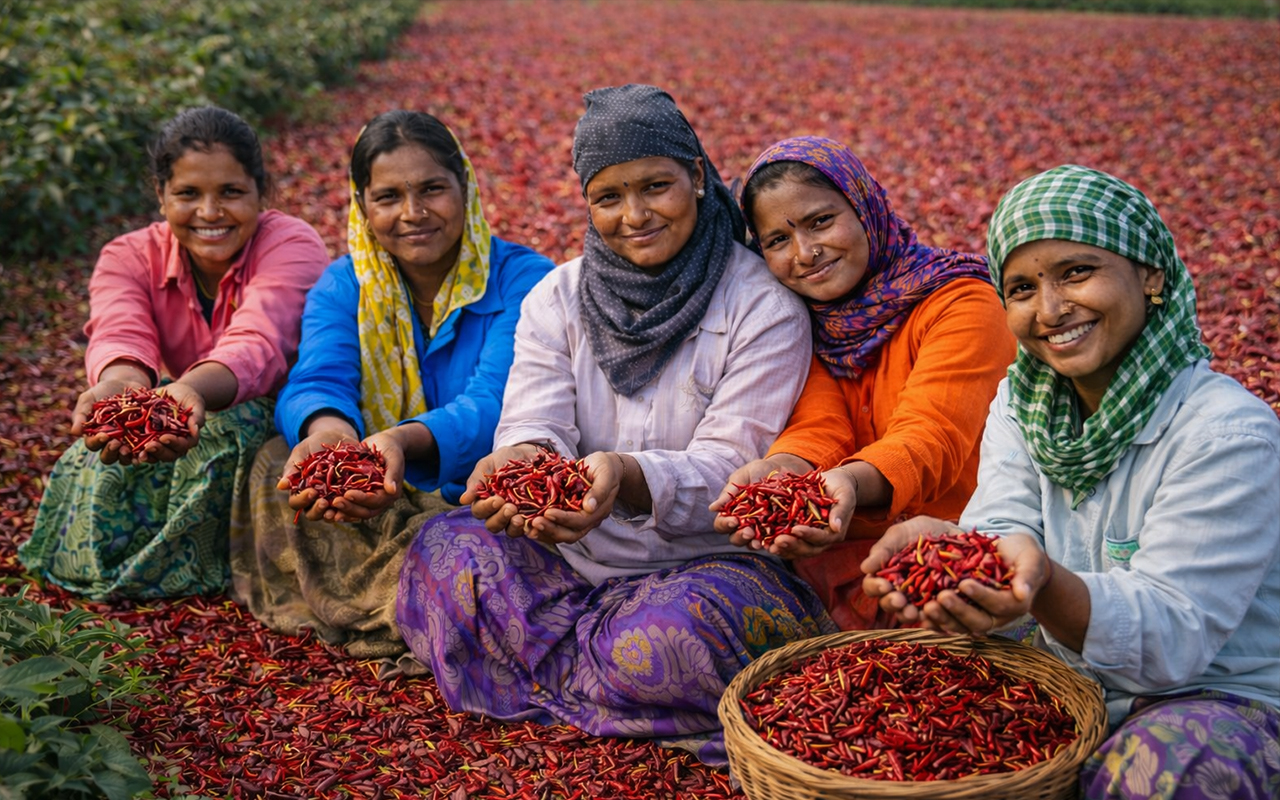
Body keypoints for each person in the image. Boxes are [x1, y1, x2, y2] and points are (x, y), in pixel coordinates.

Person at [396, 85, 835, 763]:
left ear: (697, 176)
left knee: (667, 636)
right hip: (568, 554)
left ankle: (556, 680)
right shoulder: (558, 297)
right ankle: (609, 691)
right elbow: (535, 415)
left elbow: (733, 467)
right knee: (444, 550)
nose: (635, 216)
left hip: (705, 565)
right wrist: (523, 459)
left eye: (656, 186)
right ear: (587, 203)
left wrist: (625, 477)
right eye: (608, 197)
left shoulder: (762, 305)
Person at [862, 165, 1280, 798]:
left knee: (1160, 772)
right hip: (1072, 673)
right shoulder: (1023, 403)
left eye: (1077, 272)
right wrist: (954, 548)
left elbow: (1174, 638)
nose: (1051, 310)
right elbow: (1001, 528)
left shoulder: (1225, 433)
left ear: (1151, 274)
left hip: (1218, 692)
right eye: (1022, 288)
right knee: (903, 714)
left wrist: (1043, 582)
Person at [229, 110, 554, 663]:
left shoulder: (523, 279)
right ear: (362, 204)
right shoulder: (345, 283)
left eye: (432, 189)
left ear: (466, 186)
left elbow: (496, 401)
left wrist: (399, 442)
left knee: (488, 531)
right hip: (375, 485)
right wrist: (330, 434)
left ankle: (421, 606)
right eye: (388, 197)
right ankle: (414, 609)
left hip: (472, 486)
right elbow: (318, 376)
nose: (413, 213)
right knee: (274, 462)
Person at [19, 106, 329, 598]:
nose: (210, 212)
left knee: (219, 434)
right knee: (97, 452)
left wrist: (188, 391)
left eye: (231, 192)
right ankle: (106, 570)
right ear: (161, 195)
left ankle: (200, 570)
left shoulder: (290, 243)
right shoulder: (128, 256)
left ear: (261, 192)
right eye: (188, 194)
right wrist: (120, 387)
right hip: (180, 394)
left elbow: (260, 338)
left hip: (279, 407)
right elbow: (120, 331)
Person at [710, 136, 1014, 630]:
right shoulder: (802, 317)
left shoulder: (963, 303)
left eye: (820, 221)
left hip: (953, 552)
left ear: (864, 207)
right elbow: (819, 423)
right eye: (777, 240)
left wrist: (849, 482)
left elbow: (932, 434)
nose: (806, 252)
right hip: (838, 559)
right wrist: (783, 470)